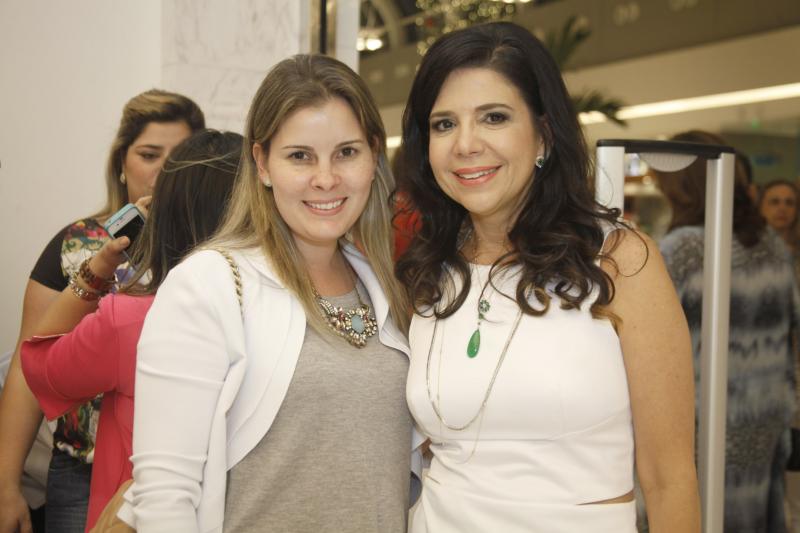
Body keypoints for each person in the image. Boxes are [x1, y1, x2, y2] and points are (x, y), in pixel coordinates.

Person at [395, 22, 700, 532]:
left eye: (494, 117)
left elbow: (670, 479)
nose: (465, 144)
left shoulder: (618, 260)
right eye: (444, 124)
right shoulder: (427, 272)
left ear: (544, 134)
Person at [122, 54, 423, 532]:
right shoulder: (207, 284)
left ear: (372, 156)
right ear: (262, 163)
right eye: (300, 156)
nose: (326, 178)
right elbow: (164, 495)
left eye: (346, 152)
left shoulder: (384, 284)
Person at [0, 89, 204, 533]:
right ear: (121, 163)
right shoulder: (77, 245)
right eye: (149, 155)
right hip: (83, 470)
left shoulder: (213, 249)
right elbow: (28, 365)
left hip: (186, 470)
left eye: (179, 158)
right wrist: (6, 483)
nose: (163, 171)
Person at [656, 130, 799, 533]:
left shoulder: (683, 248)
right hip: (765, 413)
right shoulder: (770, 244)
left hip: (703, 424)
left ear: (681, 185)